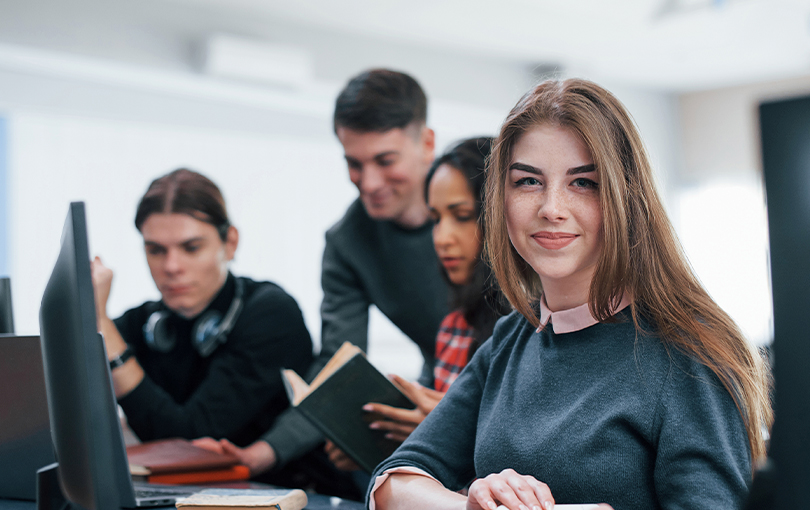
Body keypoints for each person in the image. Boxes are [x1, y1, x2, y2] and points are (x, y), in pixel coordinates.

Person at [369, 79, 773, 510]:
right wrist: (473, 506)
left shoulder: (689, 353)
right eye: (527, 182)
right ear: (499, 198)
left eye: (583, 183)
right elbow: (391, 483)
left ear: (625, 198)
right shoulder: (512, 338)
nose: (551, 208)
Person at [205, 69, 450, 486]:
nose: (368, 182)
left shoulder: (493, 203)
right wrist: (260, 455)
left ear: (426, 144)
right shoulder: (347, 242)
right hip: (440, 393)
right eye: (354, 164)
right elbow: (338, 365)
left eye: (385, 161)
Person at [90, 168, 314, 450]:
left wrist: (104, 329)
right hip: (191, 491)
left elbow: (188, 439)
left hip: (290, 489)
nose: (171, 267)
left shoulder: (271, 314)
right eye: (156, 250)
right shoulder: (144, 321)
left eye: (191, 248)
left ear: (230, 243)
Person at [358, 137, 511, 445]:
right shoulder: (454, 326)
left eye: (462, 216)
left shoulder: (535, 329)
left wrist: (451, 427)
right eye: (436, 219)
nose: (442, 238)